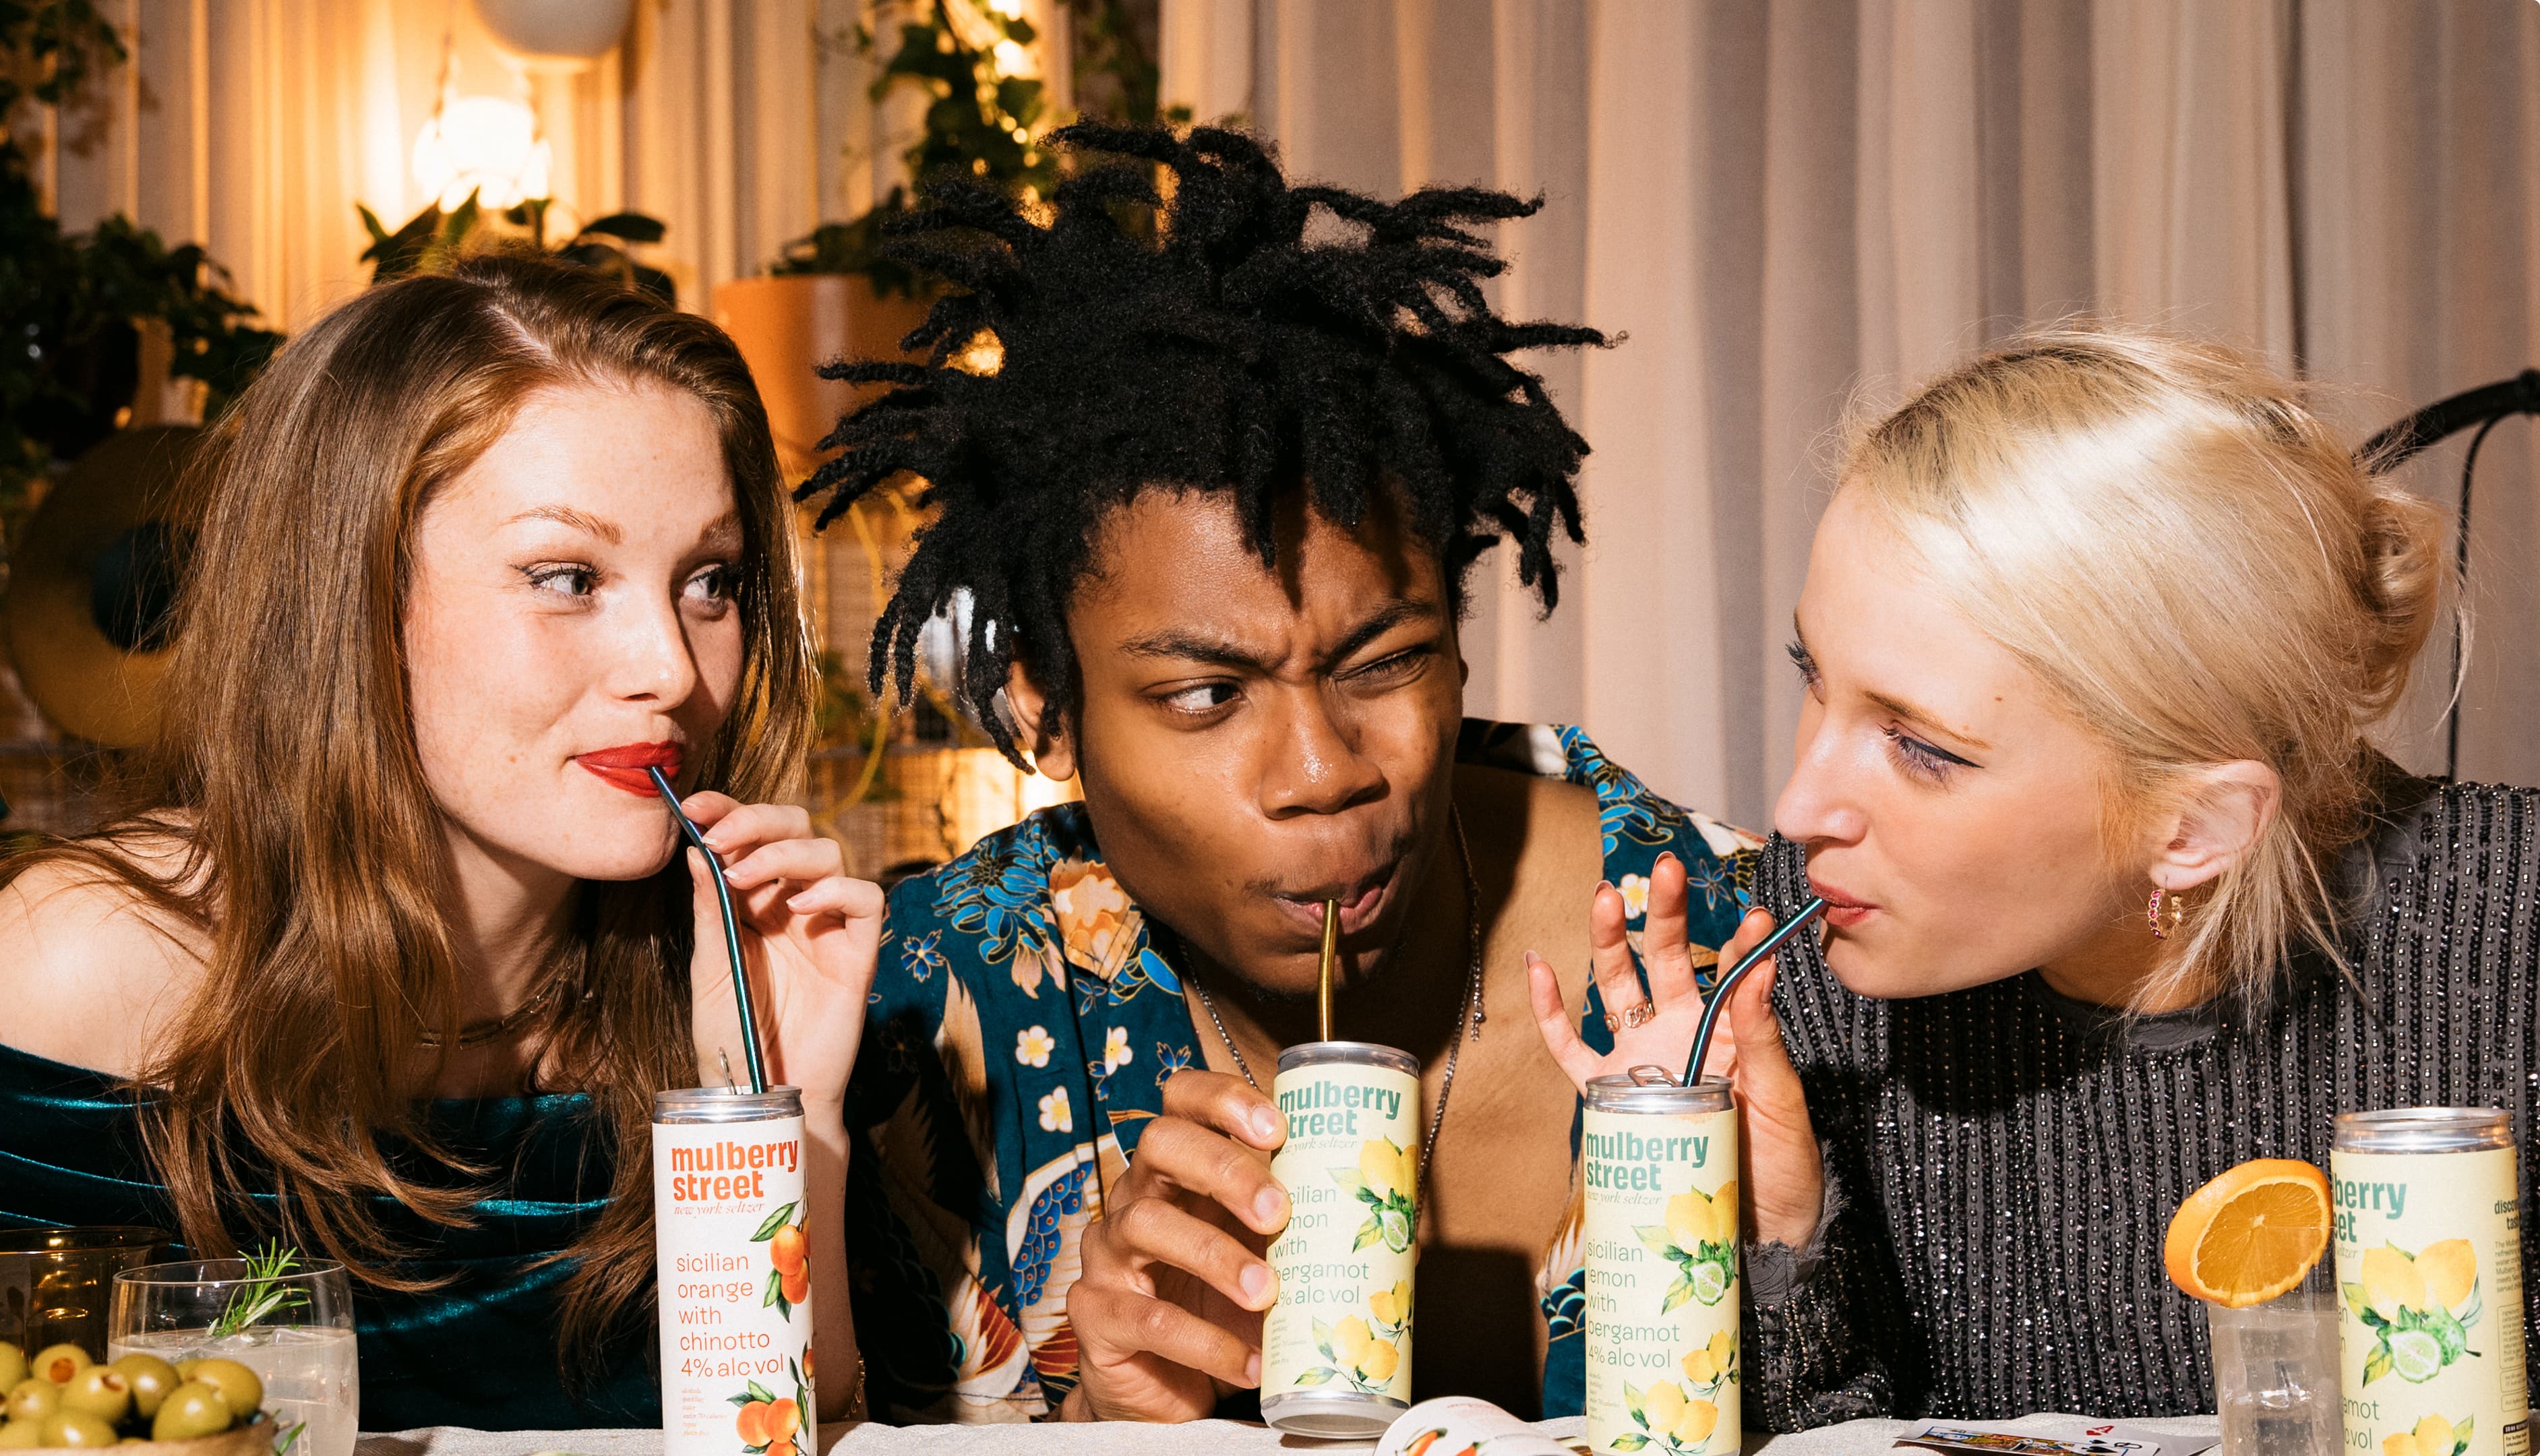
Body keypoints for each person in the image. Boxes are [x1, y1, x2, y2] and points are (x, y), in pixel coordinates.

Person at [805, 123, 1767, 1424]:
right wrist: (1100, 1431)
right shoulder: (918, 1020)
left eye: (1383, 664)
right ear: (1047, 710)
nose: (1324, 774)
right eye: (1207, 695)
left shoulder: (1727, 946)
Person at [1536, 326, 2540, 1424]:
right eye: (1815, 678)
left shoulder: (2513, 940)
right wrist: (1761, 1232)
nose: (1798, 810)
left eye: (1922, 746)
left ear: (2194, 827)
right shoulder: (1801, 974)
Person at [0, 254, 882, 1430]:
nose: (671, 668)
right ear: (352, 596)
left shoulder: (715, 975)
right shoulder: (79, 975)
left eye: (709, 580)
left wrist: (774, 1111)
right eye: (567, 576)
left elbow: (800, 1423)